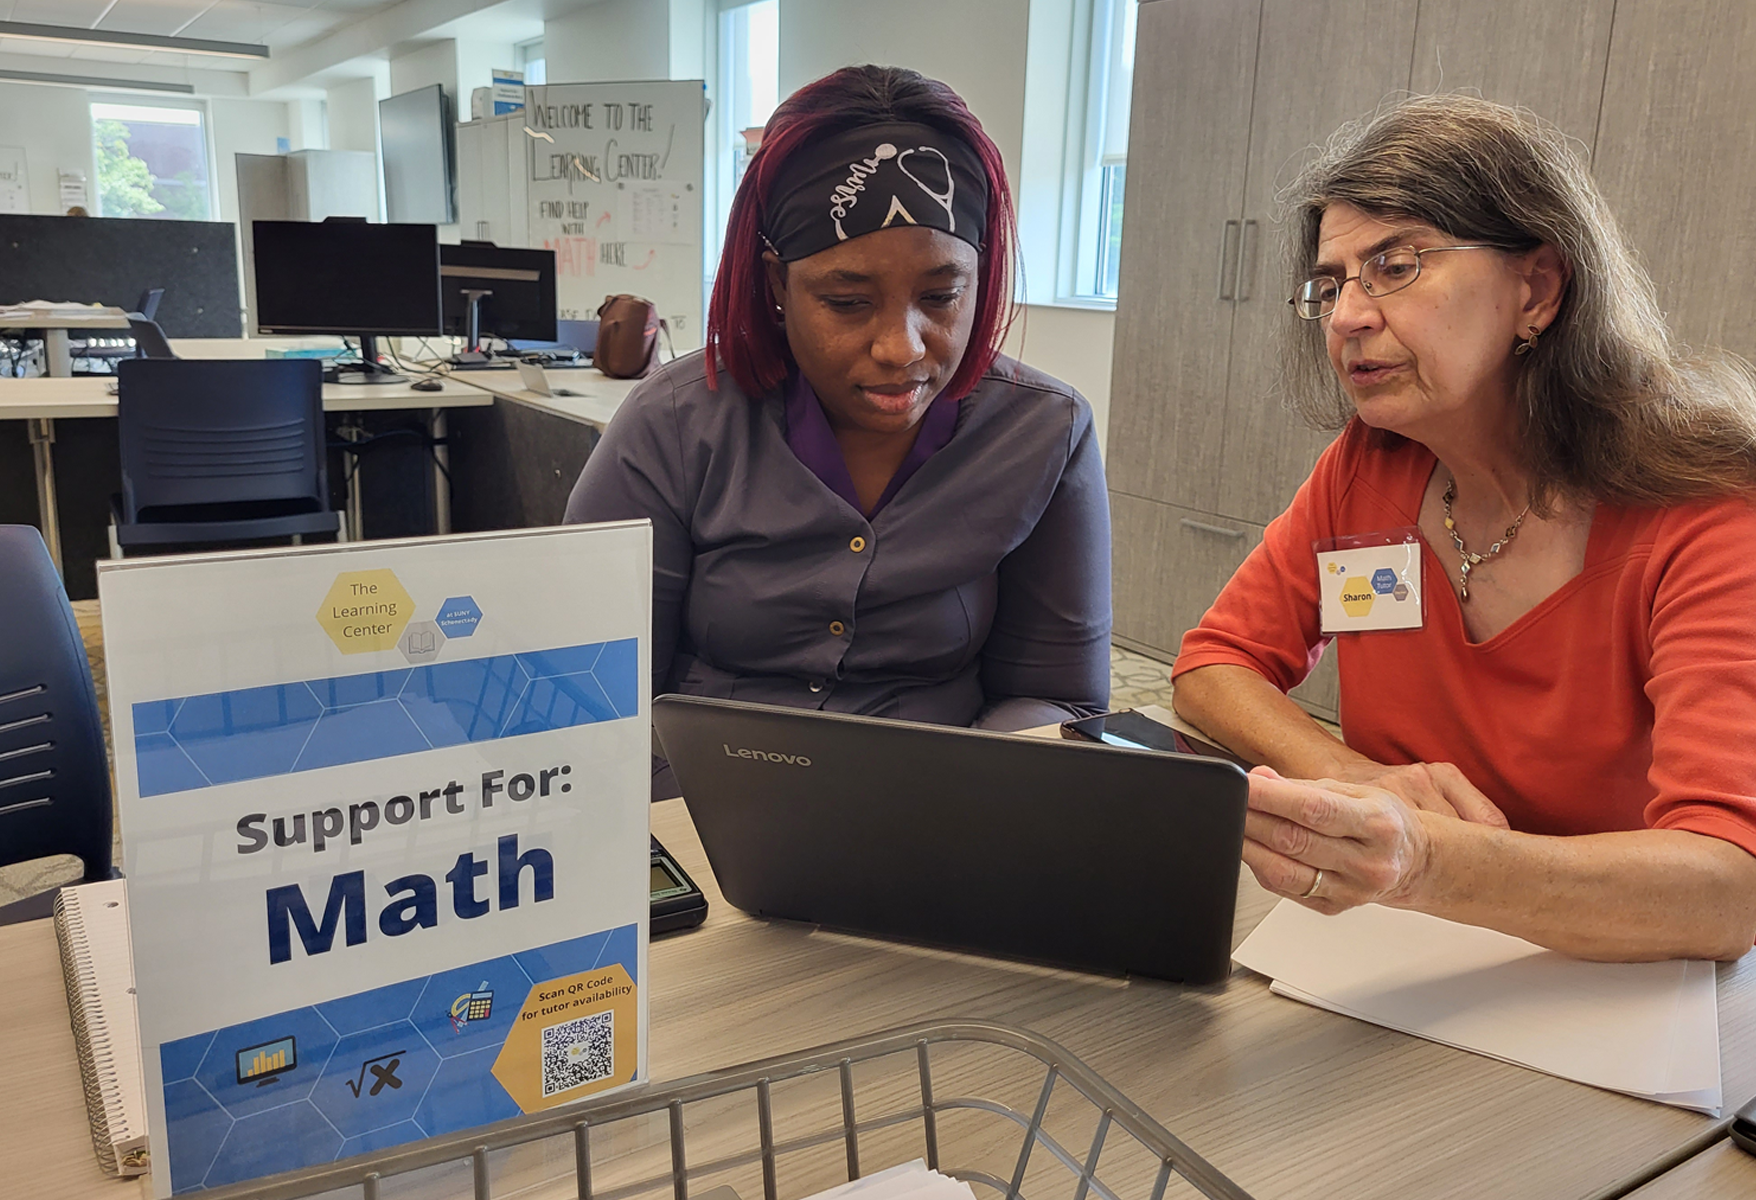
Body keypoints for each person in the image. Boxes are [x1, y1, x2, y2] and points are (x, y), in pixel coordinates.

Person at [1170, 95, 1756, 963]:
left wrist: (1422, 862)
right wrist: (1356, 780)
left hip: (1609, 977)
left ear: (1538, 289)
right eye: (1331, 285)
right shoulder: (1368, 468)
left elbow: (1728, 892)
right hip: (1400, 951)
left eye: (1396, 266)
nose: (1347, 317)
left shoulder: (1707, 512)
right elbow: (1211, 668)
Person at [566, 65, 1111, 797]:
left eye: (942, 297)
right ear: (776, 286)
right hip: (696, 811)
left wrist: (964, 802)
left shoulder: (1044, 432)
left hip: (937, 816)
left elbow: (1060, 698)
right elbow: (594, 699)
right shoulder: (673, 424)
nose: (903, 348)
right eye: (849, 302)